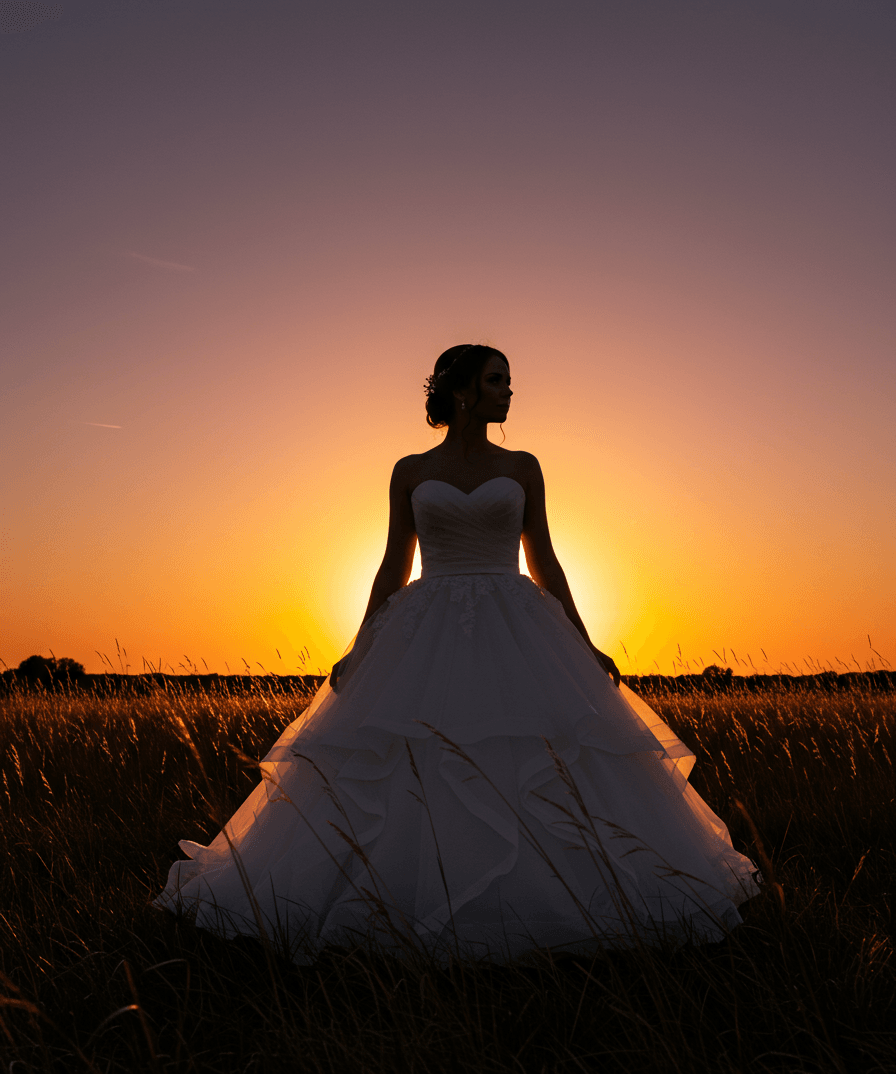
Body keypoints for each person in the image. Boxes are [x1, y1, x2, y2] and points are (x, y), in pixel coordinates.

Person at [155, 344, 760, 961]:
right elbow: (394, 563)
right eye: (498, 380)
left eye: (509, 381)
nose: (510, 392)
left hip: (517, 626)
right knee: (410, 766)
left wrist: (584, 641)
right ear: (464, 391)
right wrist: (360, 646)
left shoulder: (524, 466)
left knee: (535, 760)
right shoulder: (410, 470)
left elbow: (544, 558)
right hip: (426, 626)